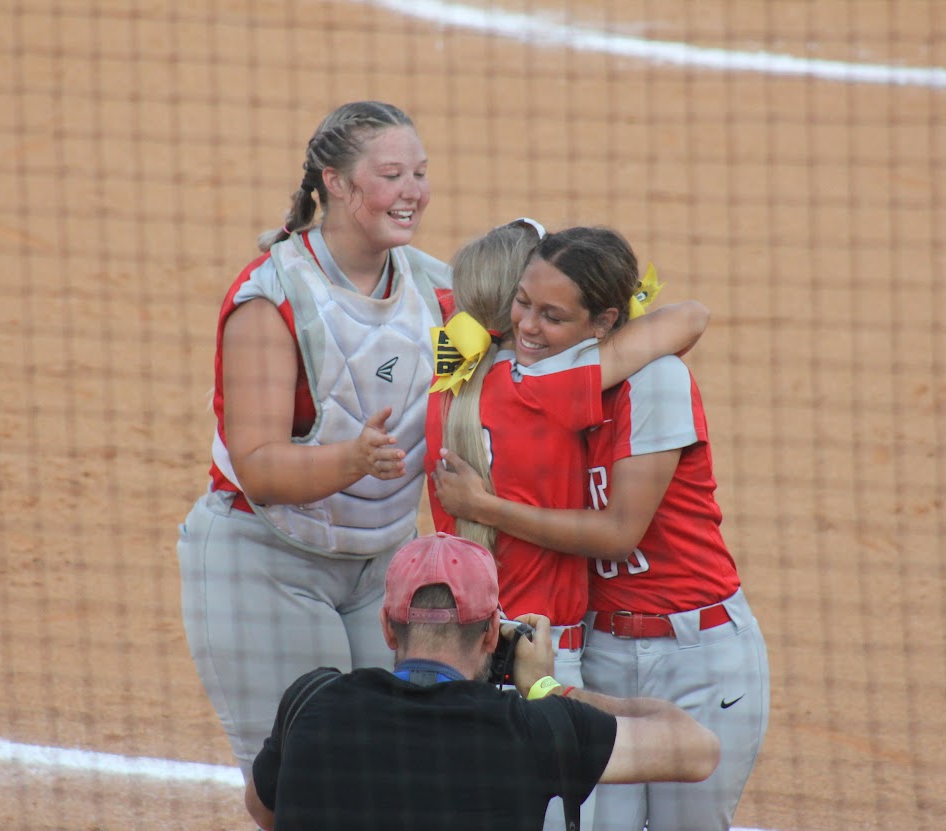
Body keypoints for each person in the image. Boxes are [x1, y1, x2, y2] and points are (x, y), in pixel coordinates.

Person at [433, 267, 769, 830]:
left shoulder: (654, 384)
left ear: (605, 322)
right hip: (601, 652)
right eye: (525, 307)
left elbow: (619, 533)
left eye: (553, 316)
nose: (530, 329)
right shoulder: (542, 392)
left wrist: (485, 508)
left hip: (696, 652)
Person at [178, 101, 453, 780]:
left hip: (381, 565)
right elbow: (261, 468)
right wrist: (353, 460)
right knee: (303, 785)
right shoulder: (271, 298)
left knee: (401, 775)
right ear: (335, 181)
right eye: (391, 173)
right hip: (266, 561)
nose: (412, 189)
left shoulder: (438, 288)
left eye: (419, 172)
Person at [244, 533, 720, 831]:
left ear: (388, 628)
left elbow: (266, 810)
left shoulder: (310, 702)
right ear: (492, 633)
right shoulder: (533, 731)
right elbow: (697, 748)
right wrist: (548, 689)